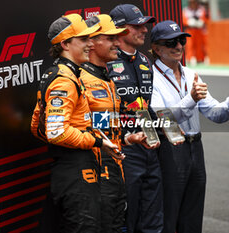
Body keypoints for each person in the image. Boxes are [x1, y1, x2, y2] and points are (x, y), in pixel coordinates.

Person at [150, 20, 229, 233]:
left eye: (181, 41)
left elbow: (215, 113)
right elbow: (162, 120)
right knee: (169, 215)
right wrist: (191, 99)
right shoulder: (150, 77)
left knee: (193, 217)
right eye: (171, 42)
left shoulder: (189, 72)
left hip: (195, 147)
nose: (178, 46)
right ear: (156, 48)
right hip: (169, 149)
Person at [30, 13, 120, 233]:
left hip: (76, 168)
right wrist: (95, 141)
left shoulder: (67, 74)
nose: (90, 43)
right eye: (83, 39)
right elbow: (56, 132)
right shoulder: (64, 79)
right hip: (76, 171)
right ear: (65, 44)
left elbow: (38, 126)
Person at [107, 4, 163, 233]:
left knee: (152, 218)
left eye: (144, 25)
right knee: (126, 218)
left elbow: (146, 106)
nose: (144, 30)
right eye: (137, 26)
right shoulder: (105, 63)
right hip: (123, 150)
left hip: (149, 148)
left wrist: (154, 135)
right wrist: (124, 140)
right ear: (120, 30)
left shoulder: (144, 60)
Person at [79, 14, 128, 233]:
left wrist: (128, 137)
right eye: (110, 38)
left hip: (115, 168)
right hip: (94, 173)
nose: (117, 43)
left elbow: (101, 122)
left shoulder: (106, 79)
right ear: (91, 41)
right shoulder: (79, 79)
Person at [183, 0, 208, 65]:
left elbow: (204, 18)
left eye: (194, 2)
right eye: (191, 2)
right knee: (189, 44)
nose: (193, 4)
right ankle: (189, 58)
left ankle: (200, 59)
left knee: (199, 45)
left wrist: (201, 21)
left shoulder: (201, 9)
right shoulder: (186, 10)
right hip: (190, 29)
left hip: (198, 30)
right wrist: (188, 22)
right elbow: (184, 19)